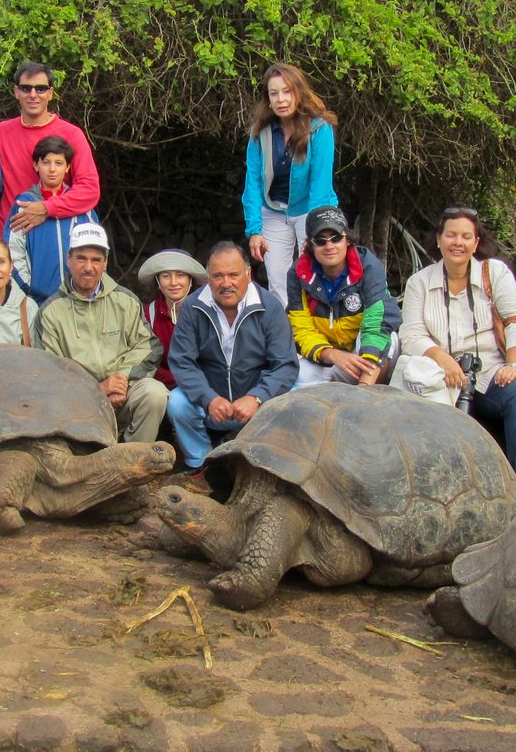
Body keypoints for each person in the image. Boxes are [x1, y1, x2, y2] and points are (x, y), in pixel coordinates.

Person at [395, 207, 516, 489]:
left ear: (476, 243)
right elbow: (412, 334)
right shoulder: (420, 282)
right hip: (443, 377)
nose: (458, 243)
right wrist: (443, 359)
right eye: (451, 235)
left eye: (466, 236)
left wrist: (513, 365)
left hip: (491, 372)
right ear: (438, 239)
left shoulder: (495, 272)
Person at [167, 241, 299, 477]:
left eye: (233, 275)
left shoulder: (269, 306)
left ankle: (267, 465)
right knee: (177, 401)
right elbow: (182, 361)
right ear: (208, 277)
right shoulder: (193, 307)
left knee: (294, 394)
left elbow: (285, 365)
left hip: (255, 404)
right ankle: (200, 463)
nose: (226, 283)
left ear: (248, 275)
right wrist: (209, 398)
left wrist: (257, 397)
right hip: (212, 403)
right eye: (218, 276)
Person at [34, 222, 168, 444]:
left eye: (96, 260)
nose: (89, 267)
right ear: (69, 260)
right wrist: (97, 389)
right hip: (77, 403)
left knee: (154, 394)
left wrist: (122, 379)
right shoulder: (50, 311)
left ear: (105, 263)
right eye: (81, 258)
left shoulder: (125, 300)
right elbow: (48, 372)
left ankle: (134, 464)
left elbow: (149, 347)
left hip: (123, 392)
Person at [241, 63, 338, 308]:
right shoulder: (259, 132)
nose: (281, 99)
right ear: (268, 99)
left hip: (311, 209)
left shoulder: (319, 130)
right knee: (278, 282)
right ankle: (285, 340)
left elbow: (320, 185)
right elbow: (252, 182)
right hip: (273, 211)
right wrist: (254, 229)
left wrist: (314, 230)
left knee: (317, 272)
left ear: (299, 92)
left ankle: (320, 335)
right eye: (274, 93)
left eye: (287, 91)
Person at [286, 206, 400, 388]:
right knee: (296, 377)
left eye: (336, 238)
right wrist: (331, 354)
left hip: (366, 356)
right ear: (310, 245)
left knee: (388, 338)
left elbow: (377, 322)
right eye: (321, 241)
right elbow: (301, 329)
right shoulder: (298, 274)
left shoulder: (368, 266)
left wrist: (364, 384)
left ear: (347, 239)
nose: (329, 246)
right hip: (329, 355)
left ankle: (366, 395)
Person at [0, 61, 101, 238]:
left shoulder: (71, 135)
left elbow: (89, 189)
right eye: (26, 88)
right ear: (16, 92)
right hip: (9, 239)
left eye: (40, 89)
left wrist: (47, 208)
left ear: (50, 93)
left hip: (54, 236)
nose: (33, 95)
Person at [7, 135, 99, 303]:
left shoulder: (82, 207)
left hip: (79, 298)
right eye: (46, 162)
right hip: (37, 300)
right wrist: (28, 288)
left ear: (67, 167)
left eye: (58, 163)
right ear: (36, 165)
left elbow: (98, 251)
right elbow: (14, 251)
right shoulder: (24, 205)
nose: (52, 169)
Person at [137, 248, 208, 390]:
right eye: (166, 276)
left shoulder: (205, 312)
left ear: (190, 279)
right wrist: (179, 381)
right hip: (163, 389)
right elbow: (145, 362)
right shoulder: (147, 314)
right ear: (158, 280)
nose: (174, 282)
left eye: (180, 275)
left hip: (204, 386)